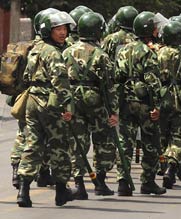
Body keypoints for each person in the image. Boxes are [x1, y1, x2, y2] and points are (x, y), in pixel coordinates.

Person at [16, 11, 77, 207]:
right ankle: (61, 192)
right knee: (59, 146)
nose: (63, 32)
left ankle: (23, 192)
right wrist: (67, 107)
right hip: (50, 103)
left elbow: (25, 77)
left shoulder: (35, 49)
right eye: (58, 29)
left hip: (33, 101)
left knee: (33, 144)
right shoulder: (53, 52)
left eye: (64, 28)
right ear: (47, 31)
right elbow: (60, 82)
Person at [63, 11, 118, 198]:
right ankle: (100, 181)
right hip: (96, 102)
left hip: (72, 100)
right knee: (103, 140)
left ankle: (79, 184)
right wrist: (113, 111)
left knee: (78, 142)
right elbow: (109, 86)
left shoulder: (66, 51)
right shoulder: (101, 55)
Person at [115, 11, 166, 196]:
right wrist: (157, 106)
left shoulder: (123, 49)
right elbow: (153, 82)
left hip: (126, 103)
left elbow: (117, 77)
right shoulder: (149, 52)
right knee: (150, 142)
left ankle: (123, 182)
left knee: (125, 142)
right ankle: (148, 182)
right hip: (144, 103)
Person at [156, 21, 181, 189]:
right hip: (180, 99)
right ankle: (171, 166)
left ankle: (161, 164)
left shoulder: (158, 53)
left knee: (161, 134)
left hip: (162, 97)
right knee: (177, 136)